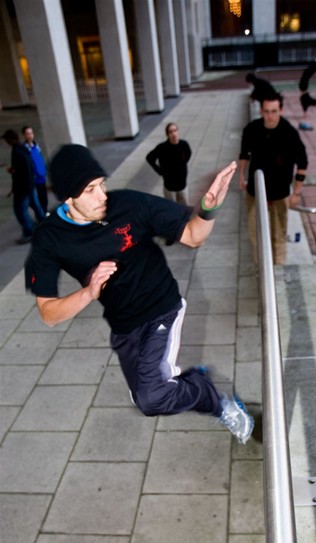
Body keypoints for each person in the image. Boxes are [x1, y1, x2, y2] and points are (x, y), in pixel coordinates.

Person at [25, 144, 253, 444]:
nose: (103, 196)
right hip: (123, 325)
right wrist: (89, 292)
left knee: (151, 398)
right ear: (68, 196)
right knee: (144, 394)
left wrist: (209, 208)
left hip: (162, 308)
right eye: (91, 190)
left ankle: (216, 401)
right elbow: (49, 313)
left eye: (102, 185)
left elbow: (193, 236)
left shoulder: (129, 206)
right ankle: (188, 379)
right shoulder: (50, 238)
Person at [239, 93, 308, 265]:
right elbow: (244, 153)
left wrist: (297, 192)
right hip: (255, 192)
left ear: (281, 110)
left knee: (278, 234)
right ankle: (261, 267)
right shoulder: (252, 129)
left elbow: (303, 162)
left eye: (274, 111)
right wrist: (241, 174)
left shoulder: (289, 133)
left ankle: (278, 268)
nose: (270, 116)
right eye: (266, 111)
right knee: (256, 233)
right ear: (261, 111)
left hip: (280, 192)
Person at [1, 128, 46, 244]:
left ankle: (29, 231)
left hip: (23, 188)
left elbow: (24, 169)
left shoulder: (17, 151)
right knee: (36, 206)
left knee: (20, 210)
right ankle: (45, 226)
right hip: (29, 185)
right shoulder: (22, 148)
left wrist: (15, 172)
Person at [146, 123, 191, 205]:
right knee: (170, 209)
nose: (174, 134)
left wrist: (182, 165)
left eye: (175, 130)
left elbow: (188, 154)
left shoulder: (184, 145)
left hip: (182, 185)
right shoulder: (162, 148)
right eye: (170, 132)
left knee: (185, 209)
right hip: (169, 186)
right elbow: (149, 158)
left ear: (178, 132)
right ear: (167, 135)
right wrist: (160, 171)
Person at [22, 125, 50, 214]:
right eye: (28, 134)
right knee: (36, 197)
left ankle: (45, 210)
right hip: (34, 177)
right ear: (24, 135)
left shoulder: (36, 146)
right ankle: (41, 212)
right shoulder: (25, 149)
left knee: (43, 195)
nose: (30, 135)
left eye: (31, 133)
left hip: (41, 175)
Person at [298, 54, 316, 119]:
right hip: (303, 86)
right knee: (308, 73)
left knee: (308, 73)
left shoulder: (307, 100)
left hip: (303, 86)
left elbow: (304, 105)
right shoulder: (307, 100)